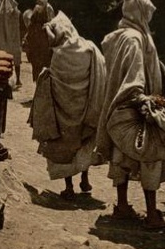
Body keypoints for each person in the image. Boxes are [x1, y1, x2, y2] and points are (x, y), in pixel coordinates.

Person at [96, 0, 165, 231]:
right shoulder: (134, 39)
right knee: (151, 156)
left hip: (119, 108)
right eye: (148, 13)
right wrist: (147, 100)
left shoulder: (119, 36)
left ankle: (122, 206)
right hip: (137, 108)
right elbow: (134, 78)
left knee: (121, 157)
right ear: (141, 13)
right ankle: (152, 214)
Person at [29, 12, 107, 197]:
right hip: (85, 109)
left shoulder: (59, 55)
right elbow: (102, 70)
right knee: (83, 141)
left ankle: (69, 186)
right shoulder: (89, 49)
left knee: (64, 146)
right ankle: (85, 179)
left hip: (64, 112)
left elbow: (55, 82)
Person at [0, 0, 24, 88]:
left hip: (7, 42)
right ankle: (16, 79)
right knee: (15, 60)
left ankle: (13, 78)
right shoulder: (16, 13)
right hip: (13, 41)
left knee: (11, 60)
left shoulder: (2, 15)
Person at [24, 0, 56, 82]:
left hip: (45, 42)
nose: (39, 4)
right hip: (36, 42)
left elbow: (52, 23)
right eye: (38, 2)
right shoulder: (36, 9)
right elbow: (31, 23)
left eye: (41, 2)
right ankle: (38, 84)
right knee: (36, 64)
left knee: (45, 63)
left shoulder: (49, 9)